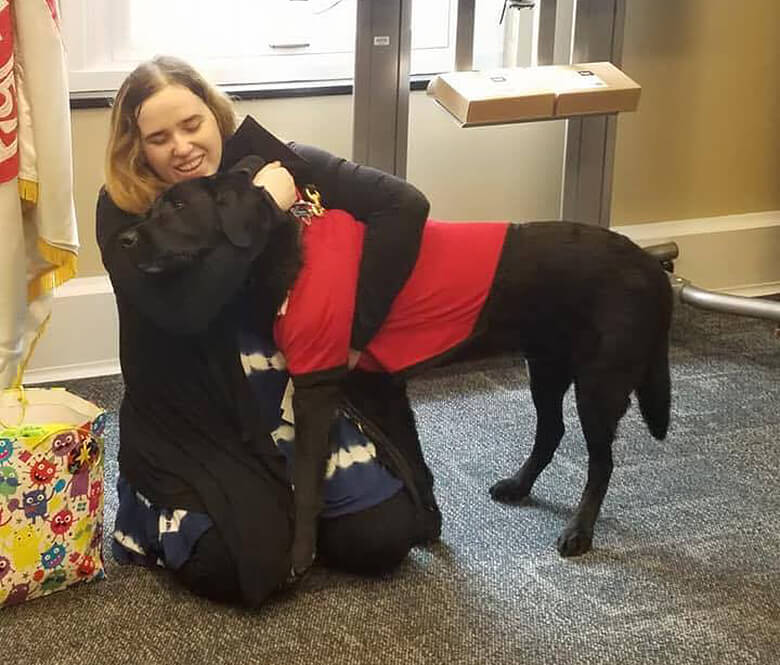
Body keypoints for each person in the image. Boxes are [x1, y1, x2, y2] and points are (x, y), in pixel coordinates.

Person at [97, 55, 440, 608]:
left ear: (215, 115)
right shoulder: (124, 210)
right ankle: (177, 513)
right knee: (244, 569)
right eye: (159, 138)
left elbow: (403, 205)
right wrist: (260, 206)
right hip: (195, 417)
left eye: (192, 125)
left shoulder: (276, 160)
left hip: (291, 398)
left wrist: (354, 335)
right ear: (136, 148)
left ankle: (288, 508)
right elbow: (190, 309)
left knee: (384, 540)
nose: (182, 147)